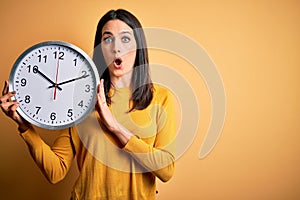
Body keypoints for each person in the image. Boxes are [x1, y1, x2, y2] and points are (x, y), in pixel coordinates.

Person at [0, 9, 176, 200]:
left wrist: (115, 127)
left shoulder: (160, 98)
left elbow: (166, 170)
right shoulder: (80, 101)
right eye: (108, 39)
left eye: (125, 39)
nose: (116, 47)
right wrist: (25, 127)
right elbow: (56, 171)